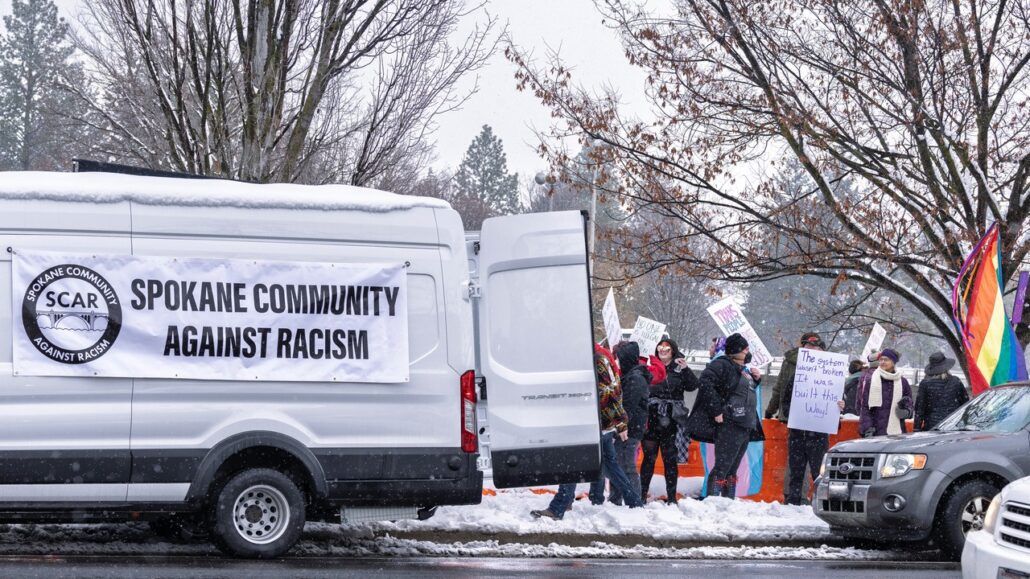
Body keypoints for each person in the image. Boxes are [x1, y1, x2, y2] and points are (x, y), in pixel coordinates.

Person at [530, 344, 643, 519]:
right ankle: (635, 502)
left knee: (572, 463)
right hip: (597, 423)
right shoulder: (596, 358)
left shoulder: (596, 360)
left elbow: (610, 392)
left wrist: (621, 422)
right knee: (610, 467)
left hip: (593, 423)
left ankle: (559, 507)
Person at [685, 333, 765, 499]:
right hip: (730, 423)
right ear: (735, 351)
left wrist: (756, 380)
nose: (747, 352)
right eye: (745, 349)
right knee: (723, 465)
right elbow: (706, 383)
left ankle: (728, 501)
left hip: (745, 423)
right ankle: (713, 500)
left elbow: (743, 390)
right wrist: (717, 410)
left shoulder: (744, 370)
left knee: (733, 467)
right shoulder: (721, 364)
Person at [779, 333, 845, 505]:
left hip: (819, 433)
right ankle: (793, 503)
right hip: (798, 432)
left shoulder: (834, 379)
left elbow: (841, 406)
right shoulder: (797, 376)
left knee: (819, 472)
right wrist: (792, 416)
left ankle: (820, 502)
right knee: (796, 471)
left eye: (816, 348)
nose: (813, 352)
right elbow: (785, 401)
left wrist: (840, 407)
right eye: (809, 348)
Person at [640, 338, 700, 504]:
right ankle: (642, 494)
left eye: (667, 347)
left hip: (672, 419)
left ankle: (672, 498)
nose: (663, 349)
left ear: (673, 350)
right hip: (652, 416)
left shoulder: (679, 367)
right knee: (649, 457)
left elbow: (693, 386)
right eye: (661, 346)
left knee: (669, 459)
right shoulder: (649, 365)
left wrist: (686, 369)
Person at [605, 342, 649, 506]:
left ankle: (634, 500)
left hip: (630, 428)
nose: (615, 361)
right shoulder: (630, 375)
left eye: (617, 357)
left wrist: (620, 426)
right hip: (628, 426)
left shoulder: (634, 378)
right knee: (618, 464)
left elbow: (628, 406)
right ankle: (617, 498)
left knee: (626, 465)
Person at [767, 332, 825, 420]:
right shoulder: (826, 364)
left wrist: (770, 410)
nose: (813, 349)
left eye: (816, 346)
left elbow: (779, 389)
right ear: (803, 346)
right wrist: (771, 410)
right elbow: (779, 389)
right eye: (810, 345)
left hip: (793, 416)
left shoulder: (828, 365)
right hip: (815, 417)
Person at [858, 349, 913, 437]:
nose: (883, 362)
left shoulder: (903, 382)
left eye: (886, 359)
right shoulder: (871, 380)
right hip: (876, 430)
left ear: (893, 362)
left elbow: (908, 400)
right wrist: (867, 428)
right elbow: (865, 407)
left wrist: (906, 411)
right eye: (881, 359)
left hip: (897, 431)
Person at [914, 352, 969, 431]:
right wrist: (965, 425)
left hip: (932, 427)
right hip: (953, 425)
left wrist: (917, 429)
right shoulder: (956, 381)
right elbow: (965, 405)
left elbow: (920, 409)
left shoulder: (925, 384)